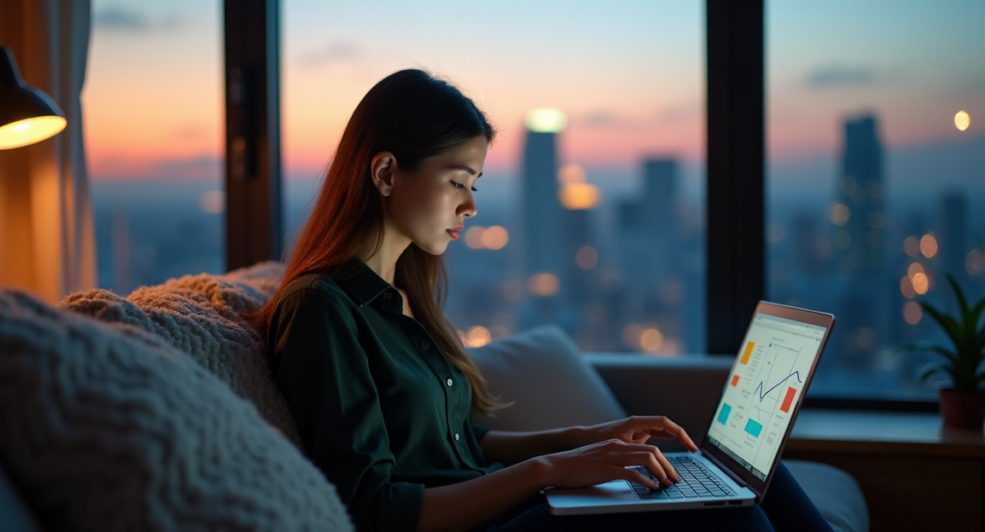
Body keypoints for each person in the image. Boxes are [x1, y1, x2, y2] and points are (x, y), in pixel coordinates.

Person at [249, 69, 835, 532]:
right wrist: (550, 472)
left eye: (474, 185)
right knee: (736, 519)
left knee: (750, 477)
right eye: (457, 181)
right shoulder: (323, 309)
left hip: (502, 508)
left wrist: (579, 439)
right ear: (384, 173)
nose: (470, 206)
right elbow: (375, 510)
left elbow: (453, 445)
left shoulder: (403, 296)